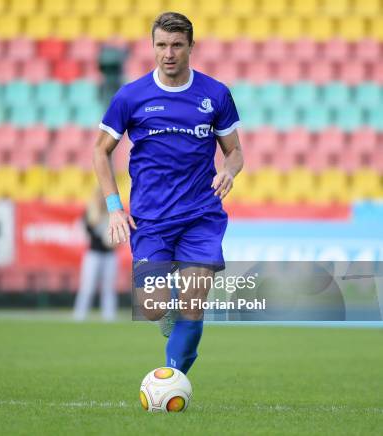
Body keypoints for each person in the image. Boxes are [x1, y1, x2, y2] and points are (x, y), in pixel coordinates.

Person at [93, 12, 243, 374]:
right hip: (151, 219)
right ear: (153, 47)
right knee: (153, 308)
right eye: (161, 45)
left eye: (177, 45)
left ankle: (172, 378)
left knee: (194, 302)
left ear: (191, 46)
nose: (169, 53)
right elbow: (100, 151)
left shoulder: (215, 94)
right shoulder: (130, 97)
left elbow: (235, 152)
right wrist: (115, 208)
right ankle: (168, 315)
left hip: (200, 216)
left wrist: (228, 170)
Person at [73, 188, 118, 322]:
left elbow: (118, 234)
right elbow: (86, 229)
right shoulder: (90, 212)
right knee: (88, 285)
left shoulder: (113, 213)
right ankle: (80, 314)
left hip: (109, 255)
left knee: (109, 287)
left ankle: (109, 315)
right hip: (93, 254)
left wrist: (114, 241)